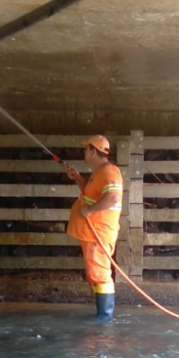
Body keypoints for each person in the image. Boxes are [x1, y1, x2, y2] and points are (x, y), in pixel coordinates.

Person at [66, 134, 123, 323]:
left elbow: (113, 197)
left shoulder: (109, 171)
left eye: (86, 149)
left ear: (93, 151)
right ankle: (101, 317)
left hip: (98, 232)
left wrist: (90, 211)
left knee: (99, 274)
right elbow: (93, 195)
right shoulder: (99, 173)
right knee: (95, 274)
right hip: (93, 233)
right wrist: (78, 179)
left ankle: (104, 319)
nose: (84, 152)